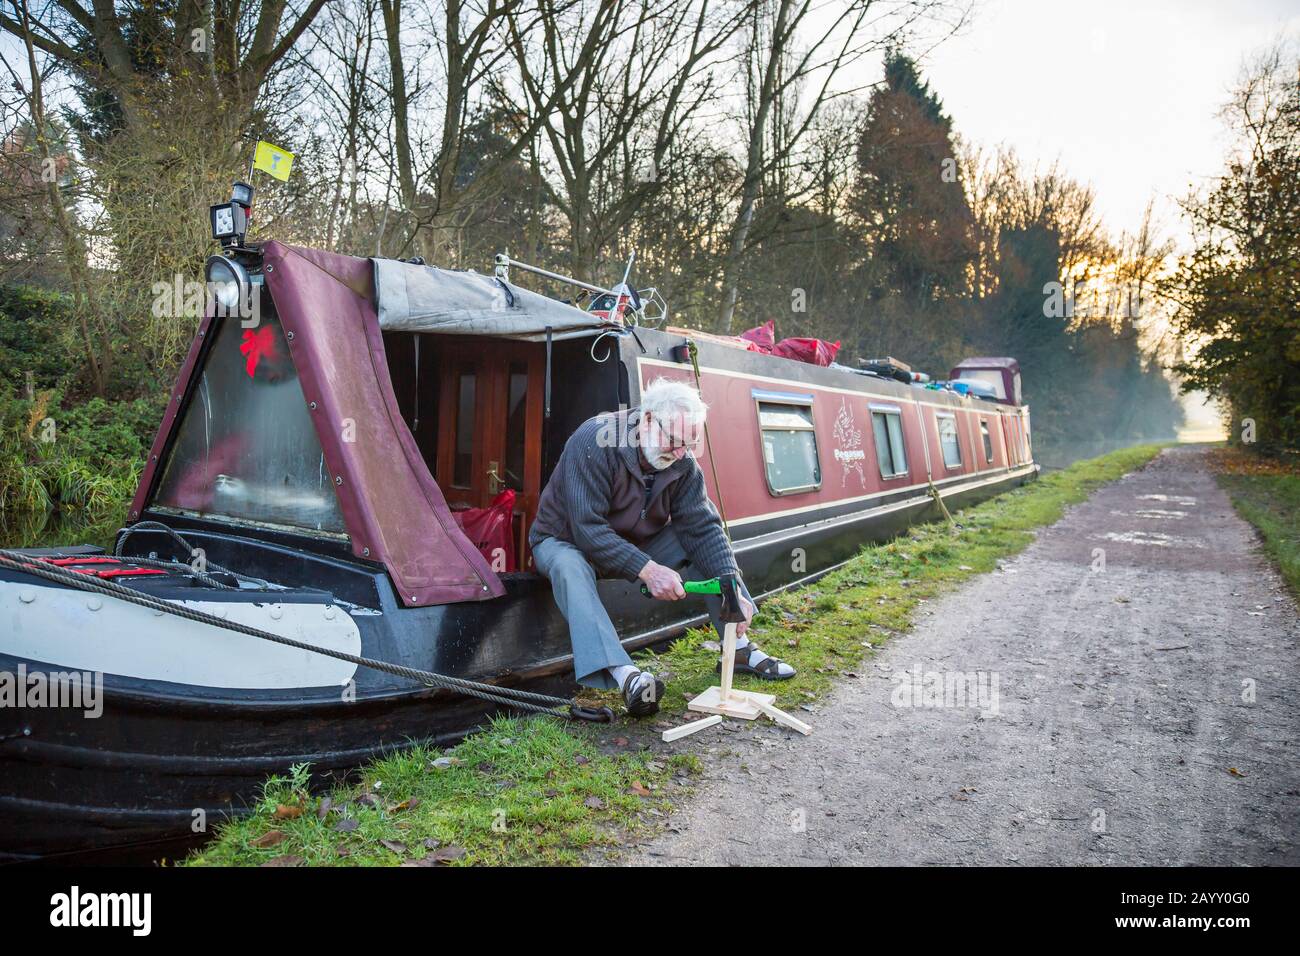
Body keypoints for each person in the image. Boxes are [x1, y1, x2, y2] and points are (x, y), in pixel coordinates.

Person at [528, 377, 796, 717]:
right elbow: (588, 530)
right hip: (565, 539)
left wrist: (731, 586)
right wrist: (649, 570)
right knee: (569, 567)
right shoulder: (593, 441)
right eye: (675, 442)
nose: (682, 453)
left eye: (690, 443)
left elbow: (702, 526)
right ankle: (627, 678)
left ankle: (737, 649)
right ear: (649, 420)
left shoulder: (682, 459)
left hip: (634, 543)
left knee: (697, 544)